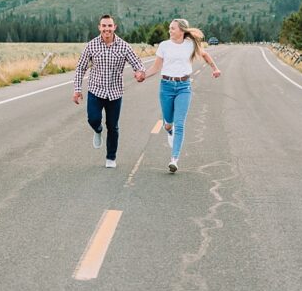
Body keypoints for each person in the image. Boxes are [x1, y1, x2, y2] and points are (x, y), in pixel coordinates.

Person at [145, 18, 220, 173]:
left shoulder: (191, 45)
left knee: (180, 123)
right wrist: (143, 76)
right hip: (166, 87)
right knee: (168, 123)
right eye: (169, 28)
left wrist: (215, 68)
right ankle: (168, 129)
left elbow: (205, 55)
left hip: (184, 87)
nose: (169, 30)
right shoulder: (164, 45)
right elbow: (156, 67)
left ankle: (174, 159)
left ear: (181, 30)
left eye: (172, 28)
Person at [73, 14, 146, 168]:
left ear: (115, 27)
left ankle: (111, 157)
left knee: (113, 126)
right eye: (104, 26)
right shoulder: (91, 45)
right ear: (99, 27)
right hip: (95, 90)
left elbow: (138, 63)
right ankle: (98, 130)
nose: (107, 29)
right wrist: (77, 89)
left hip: (115, 92)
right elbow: (80, 68)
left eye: (109, 26)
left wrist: (140, 73)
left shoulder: (124, 46)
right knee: (93, 119)